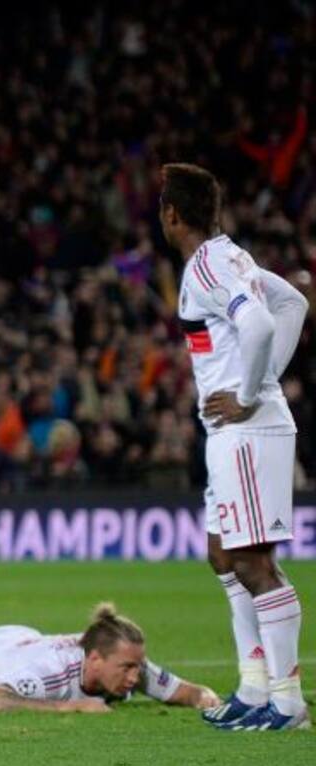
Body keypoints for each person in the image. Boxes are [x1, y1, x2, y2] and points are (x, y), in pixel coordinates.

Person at [159, 164, 310, 730]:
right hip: (232, 433)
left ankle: (288, 701)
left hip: (247, 431)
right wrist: (264, 380)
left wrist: (251, 392)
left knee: (253, 563)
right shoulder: (231, 258)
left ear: (172, 214)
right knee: (223, 554)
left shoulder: (206, 267)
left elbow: (262, 327)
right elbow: (292, 302)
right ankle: (253, 685)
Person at [0, 603, 221, 714]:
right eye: (127, 668)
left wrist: (205, 698)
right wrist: (72, 706)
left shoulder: (122, 658)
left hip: (14, 641)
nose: (135, 677)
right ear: (96, 659)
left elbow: (185, 692)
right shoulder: (54, 674)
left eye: (137, 667)